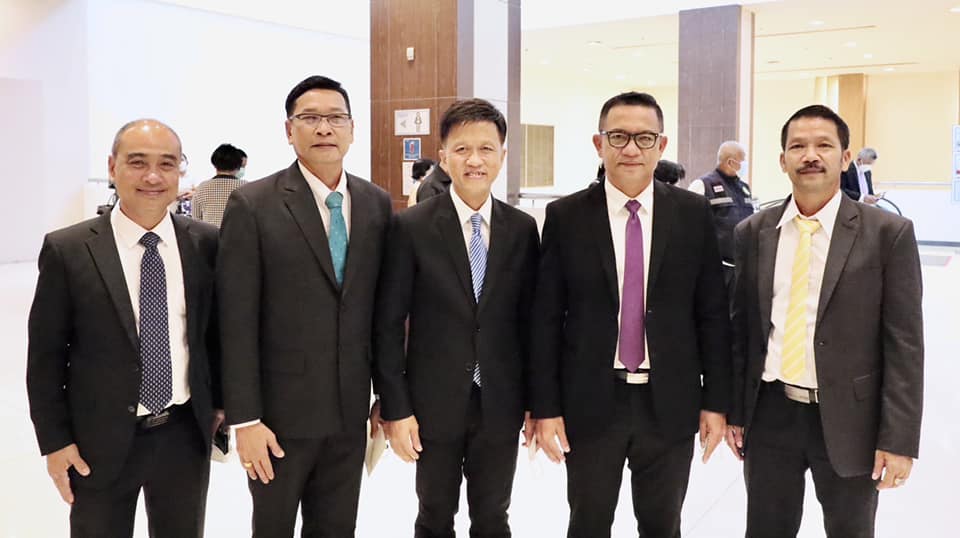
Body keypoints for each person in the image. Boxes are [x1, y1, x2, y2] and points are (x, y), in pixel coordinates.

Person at [531, 91, 731, 538]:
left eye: (644, 138)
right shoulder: (566, 216)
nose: (631, 149)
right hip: (590, 401)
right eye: (618, 136)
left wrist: (716, 401)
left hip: (670, 402)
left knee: (662, 526)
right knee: (588, 523)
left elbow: (712, 313)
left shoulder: (691, 213)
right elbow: (545, 318)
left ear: (661, 146)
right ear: (599, 143)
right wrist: (545, 407)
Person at [726, 105, 923, 537]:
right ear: (782, 160)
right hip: (771, 412)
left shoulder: (887, 234)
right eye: (798, 146)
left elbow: (905, 344)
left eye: (823, 145)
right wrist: (735, 411)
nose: (810, 155)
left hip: (852, 418)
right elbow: (742, 331)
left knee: (850, 529)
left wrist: (898, 439)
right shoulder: (754, 232)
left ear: (845, 157)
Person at [26, 119, 221, 537]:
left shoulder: (206, 243)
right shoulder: (69, 249)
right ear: (112, 167)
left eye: (166, 164)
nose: (153, 177)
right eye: (137, 162)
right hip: (98, 439)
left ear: (181, 171)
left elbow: (214, 336)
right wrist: (55, 442)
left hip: (184, 434)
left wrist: (221, 404)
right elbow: (45, 357)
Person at [217, 75, 392, 537]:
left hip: (349, 414)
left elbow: (382, 313)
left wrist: (387, 396)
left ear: (352, 129)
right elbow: (235, 319)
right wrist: (246, 419)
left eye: (336, 118)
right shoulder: (253, 204)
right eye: (310, 118)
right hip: (278, 420)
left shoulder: (375, 204)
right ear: (288, 130)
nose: (324, 128)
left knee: (337, 528)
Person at [374, 98, 539, 538]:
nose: (475, 160)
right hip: (432, 402)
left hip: (501, 400)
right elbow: (388, 324)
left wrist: (537, 402)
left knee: (493, 517)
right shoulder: (411, 226)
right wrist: (396, 407)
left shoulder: (522, 229)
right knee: (433, 516)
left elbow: (531, 323)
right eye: (462, 149)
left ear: (502, 155)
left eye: (486, 149)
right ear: (444, 157)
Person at [689, 141, 756, 288]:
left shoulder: (744, 188)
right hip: (715, 269)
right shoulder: (703, 185)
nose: (745, 165)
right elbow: (689, 228)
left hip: (741, 267)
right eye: (743, 161)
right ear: (731, 162)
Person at [192, 143, 247, 227]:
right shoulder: (246, 187)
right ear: (238, 166)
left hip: (209, 234)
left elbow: (196, 220)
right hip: (238, 234)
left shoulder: (202, 187)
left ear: (214, 164)